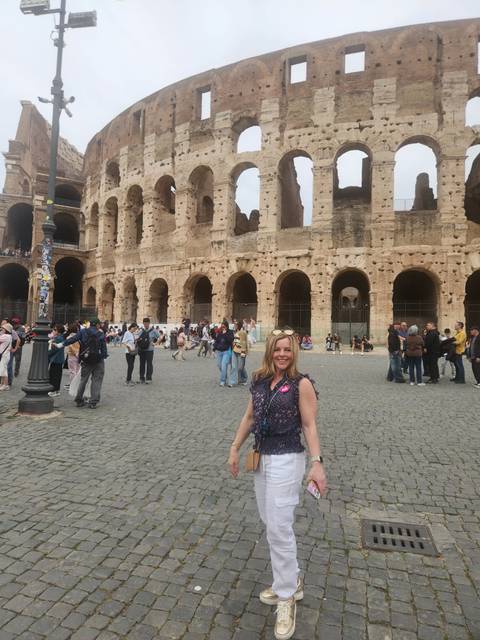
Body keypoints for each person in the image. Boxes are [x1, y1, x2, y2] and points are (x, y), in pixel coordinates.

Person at [228, 329, 327, 640]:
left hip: (287, 458)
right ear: (269, 351)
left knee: (279, 526)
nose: (282, 354)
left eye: (287, 349)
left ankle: (286, 598)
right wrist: (234, 446)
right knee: (270, 521)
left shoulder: (302, 383)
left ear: (294, 352)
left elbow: (310, 424)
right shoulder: (259, 381)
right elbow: (248, 417)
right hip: (262, 457)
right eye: (277, 349)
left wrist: (317, 463)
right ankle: (292, 578)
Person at [59, 318, 108, 408]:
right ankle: (93, 402)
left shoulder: (83, 332)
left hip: (86, 358)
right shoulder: (101, 334)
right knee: (97, 380)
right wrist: (103, 357)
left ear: (90, 324)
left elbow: (73, 339)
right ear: (97, 325)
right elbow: (104, 349)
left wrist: (62, 344)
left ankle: (79, 400)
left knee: (83, 380)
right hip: (98, 360)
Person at [137, 317, 160, 383]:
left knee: (149, 364)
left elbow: (160, 337)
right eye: (144, 323)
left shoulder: (153, 330)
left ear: (149, 323)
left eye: (146, 323)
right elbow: (137, 338)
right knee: (142, 364)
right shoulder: (141, 330)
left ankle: (149, 378)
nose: (145, 325)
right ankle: (141, 378)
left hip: (150, 350)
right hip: (142, 349)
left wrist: (155, 343)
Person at [213, 320, 234, 386]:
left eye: (224, 327)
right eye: (222, 327)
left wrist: (225, 334)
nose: (223, 328)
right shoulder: (220, 333)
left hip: (226, 351)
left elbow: (230, 340)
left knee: (224, 365)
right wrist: (214, 349)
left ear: (226, 326)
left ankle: (223, 381)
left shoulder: (230, 332)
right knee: (219, 365)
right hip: (219, 351)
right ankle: (224, 375)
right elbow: (217, 341)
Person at [47, 324, 65, 397]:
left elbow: (53, 350)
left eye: (55, 329)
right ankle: (56, 390)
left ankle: (54, 390)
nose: (53, 331)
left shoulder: (58, 338)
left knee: (54, 375)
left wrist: (47, 354)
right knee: (56, 375)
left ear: (59, 331)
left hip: (56, 359)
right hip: (58, 359)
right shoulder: (59, 337)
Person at [230, 321, 249, 386]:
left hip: (241, 351)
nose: (234, 326)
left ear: (238, 326)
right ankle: (232, 382)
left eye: (235, 325)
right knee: (234, 367)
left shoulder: (242, 333)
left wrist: (243, 353)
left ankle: (243, 379)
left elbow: (244, 343)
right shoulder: (235, 332)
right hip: (234, 350)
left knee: (241, 367)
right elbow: (234, 341)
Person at [65, 322, 81, 388]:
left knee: (72, 371)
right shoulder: (79, 336)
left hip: (72, 355)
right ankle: (77, 384)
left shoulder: (69, 337)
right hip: (79, 355)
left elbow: (71, 347)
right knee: (77, 371)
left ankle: (73, 385)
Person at [0, 323, 13, 390]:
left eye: (3, 328)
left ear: (6, 330)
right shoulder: (9, 336)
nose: (2, 329)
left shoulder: (5, 336)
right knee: (2, 369)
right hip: (5, 355)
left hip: (4, 355)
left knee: (4, 370)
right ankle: (2, 384)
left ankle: (5, 385)